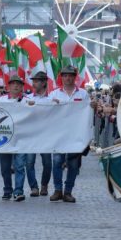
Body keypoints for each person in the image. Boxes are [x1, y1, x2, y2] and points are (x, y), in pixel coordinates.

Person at [48, 65, 90, 203]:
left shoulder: (83, 94)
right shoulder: (53, 94)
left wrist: (93, 106)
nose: (68, 78)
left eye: (70, 75)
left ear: (75, 77)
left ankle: (68, 192)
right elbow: (45, 113)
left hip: (76, 134)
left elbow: (88, 112)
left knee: (73, 164)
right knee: (57, 161)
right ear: (61, 77)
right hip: (58, 134)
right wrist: (50, 104)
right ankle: (57, 190)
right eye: (65, 75)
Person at [0, 75, 26, 201]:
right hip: (4, 137)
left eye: (18, 84)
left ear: (22, 87)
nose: (16, 86)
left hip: (21, 137)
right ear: (9, 86)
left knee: (19, 165)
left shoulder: (27, 100)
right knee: (5, 167)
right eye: (13, 83)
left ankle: (19, 191)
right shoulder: (1, 100)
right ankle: (7, 189)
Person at [25, 70, 53, 197]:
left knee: (47, 163)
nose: (34, 83)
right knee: (29, 162)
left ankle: (44, 185)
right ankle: (33, 187)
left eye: (37, 81)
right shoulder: (27, 98)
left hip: (46, 135)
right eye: (34, 81)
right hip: (31, 135)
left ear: (44, 83)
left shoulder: (51, 98)